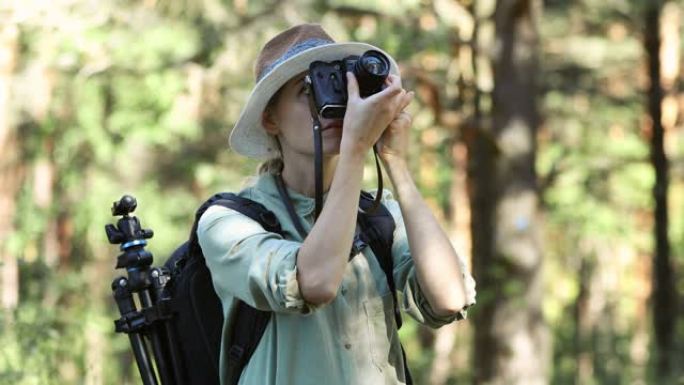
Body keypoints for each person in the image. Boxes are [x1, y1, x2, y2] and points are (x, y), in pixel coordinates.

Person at [197, 23, 477, 385]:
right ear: (270, 118)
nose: (329, 106)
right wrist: (356, 151)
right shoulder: (228, 222)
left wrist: (396, 164)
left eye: (338, 86)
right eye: (306, 90)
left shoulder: (379, 214)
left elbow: (449, 299)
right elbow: (314, 282)